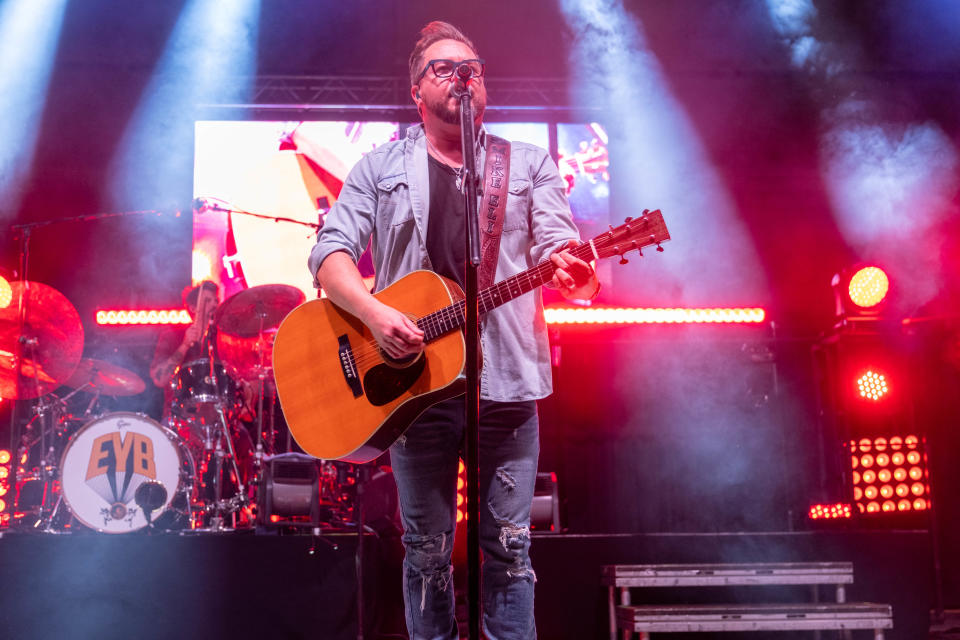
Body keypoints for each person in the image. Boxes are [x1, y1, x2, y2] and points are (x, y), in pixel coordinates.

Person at [309, 21, 599, 639]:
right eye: (444, 68)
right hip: (415, 391)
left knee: (512, 550)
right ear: (416, 89)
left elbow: (563, 255)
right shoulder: (379, 166)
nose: (463, 75)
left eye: (473, 66)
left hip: (508, 388)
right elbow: (330, 252)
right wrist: (373, 313)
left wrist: (578, 274)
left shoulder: (527, 164)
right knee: (427, 553)